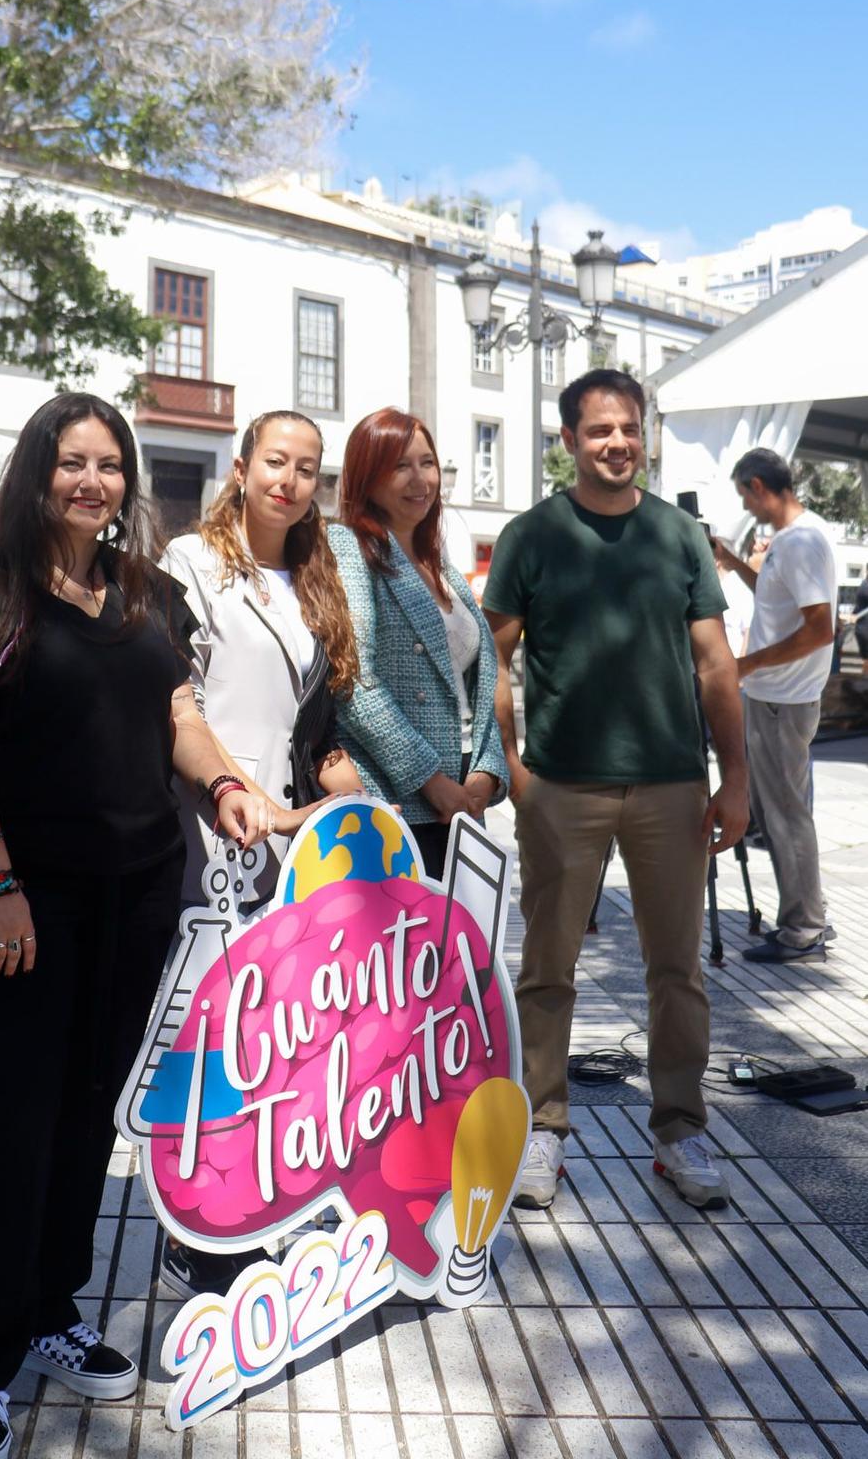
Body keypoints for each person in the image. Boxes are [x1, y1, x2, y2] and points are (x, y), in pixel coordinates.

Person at [0, 393, 281, 1459]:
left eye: (109, 463)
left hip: (136, 891)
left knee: (85, 1116)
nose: (91, 481)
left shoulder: (146, 594)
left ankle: (50, 1308)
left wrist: (224, 788)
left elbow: (175, 715)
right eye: (72, 461)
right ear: (35, 470)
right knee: (7, 1120)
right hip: (12, 898)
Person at [483, 369, 748, 1213]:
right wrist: (515, 769)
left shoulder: (678, 537)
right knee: (548, 969)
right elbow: (492, 657)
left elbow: (714, 663)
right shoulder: (532, 536)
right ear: (568, 441)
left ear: (645, 435)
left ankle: (679, 1130)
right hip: (561, 786)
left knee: (677, 970)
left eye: (629, 428)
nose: (617, 443)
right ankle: (543, 1130)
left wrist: (736, 778)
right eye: (599, 430)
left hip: (672, 784)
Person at [156, 408, 363, 1298]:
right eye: (275, 460)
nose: (290, 478)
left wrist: (335, 779)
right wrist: (231, 791)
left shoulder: (315, 578)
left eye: (308, 467)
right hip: (212, 824)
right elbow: (180, 705)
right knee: (208, 1028)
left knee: (270, 1029)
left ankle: (247, 1202)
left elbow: (313, 716)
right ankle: (199, 1226)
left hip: (294, 833)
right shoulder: (190, 564)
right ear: (240, 468)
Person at [326, 407, 509, 881]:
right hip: (399, 799)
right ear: (367, 476)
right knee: (405, 949)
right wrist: (431, 780)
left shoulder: (442, 566)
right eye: (399, 465)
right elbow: (355, 681)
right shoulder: (350, 547)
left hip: (464, 793)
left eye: (427, 463)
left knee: (462, 949)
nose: (419, 479)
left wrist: (487, 773)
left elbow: (477, 684)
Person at [716, 448, 838, 961]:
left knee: (786, 814)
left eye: (745, 493)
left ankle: (803, 927)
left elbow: (819, 629)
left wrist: (746, 666)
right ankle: (807, 912)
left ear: (759, 487)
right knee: (782, 810)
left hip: (781, 700)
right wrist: (732, 563)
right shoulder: (794, 541)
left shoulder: (801, 542)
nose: (746, 504)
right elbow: (779, 598)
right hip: (778, 697)